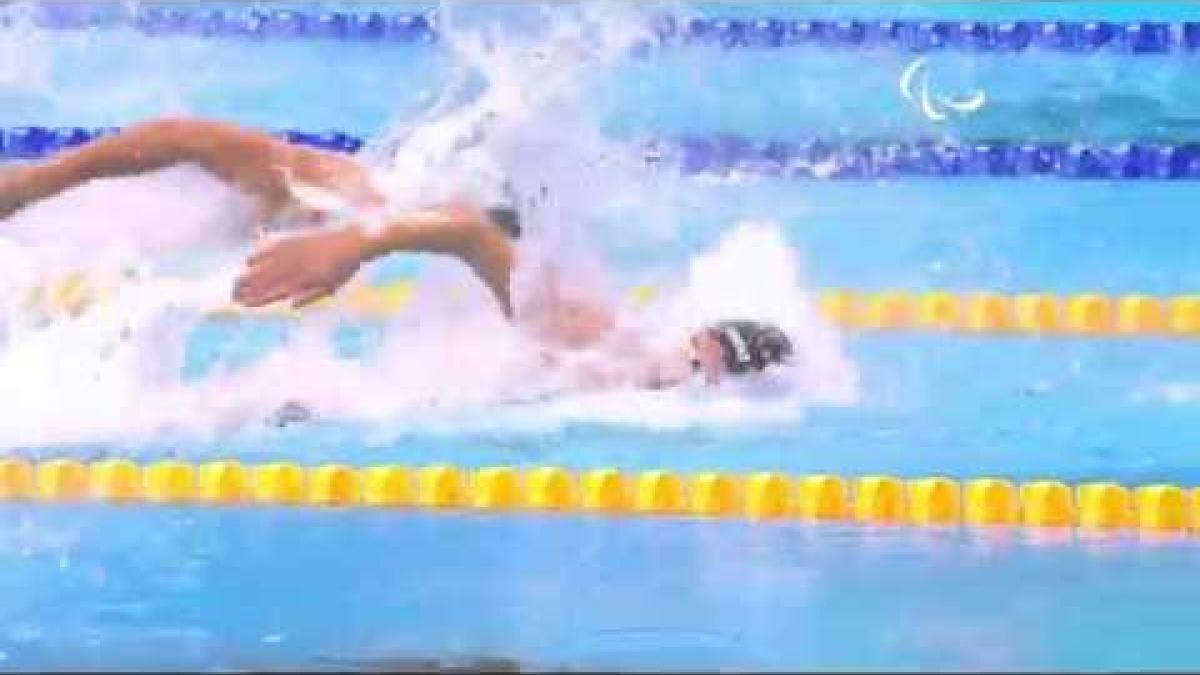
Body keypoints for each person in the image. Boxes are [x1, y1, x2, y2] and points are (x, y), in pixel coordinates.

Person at [0, 117, 794, 392]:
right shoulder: (609, 344)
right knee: (230, 153)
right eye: (705, 347)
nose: (696, 358)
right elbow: (472, 233)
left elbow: (470, 233)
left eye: (708, 355)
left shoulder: (618, 358)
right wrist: (33, 183)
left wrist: (353, 241)